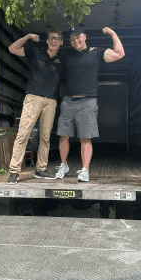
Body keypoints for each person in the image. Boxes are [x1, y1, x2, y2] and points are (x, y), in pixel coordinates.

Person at [55, 26, 125, 182]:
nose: (75, 41)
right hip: (68, 100)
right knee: (63, 136)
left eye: (78, 37)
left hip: (88, 101)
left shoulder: (96, 52)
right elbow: (51, 55)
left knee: (85, 138)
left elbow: (120, 53)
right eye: (72, 39)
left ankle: (85, 170)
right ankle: (63, 165)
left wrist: (113, 33)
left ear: (84, 37)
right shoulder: (66, 54)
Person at [7, 30, 64, 184]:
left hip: (51, 101)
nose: (53, 41)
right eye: (51, 38)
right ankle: (14, 171)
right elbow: (12, 48)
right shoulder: (35, 50)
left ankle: (41, 169)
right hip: (33, 98)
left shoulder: (62, 59)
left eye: (57, 39)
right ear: (47, 40)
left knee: (45, 137)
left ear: (61, 42)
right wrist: (27, 37)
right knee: (24, 133)